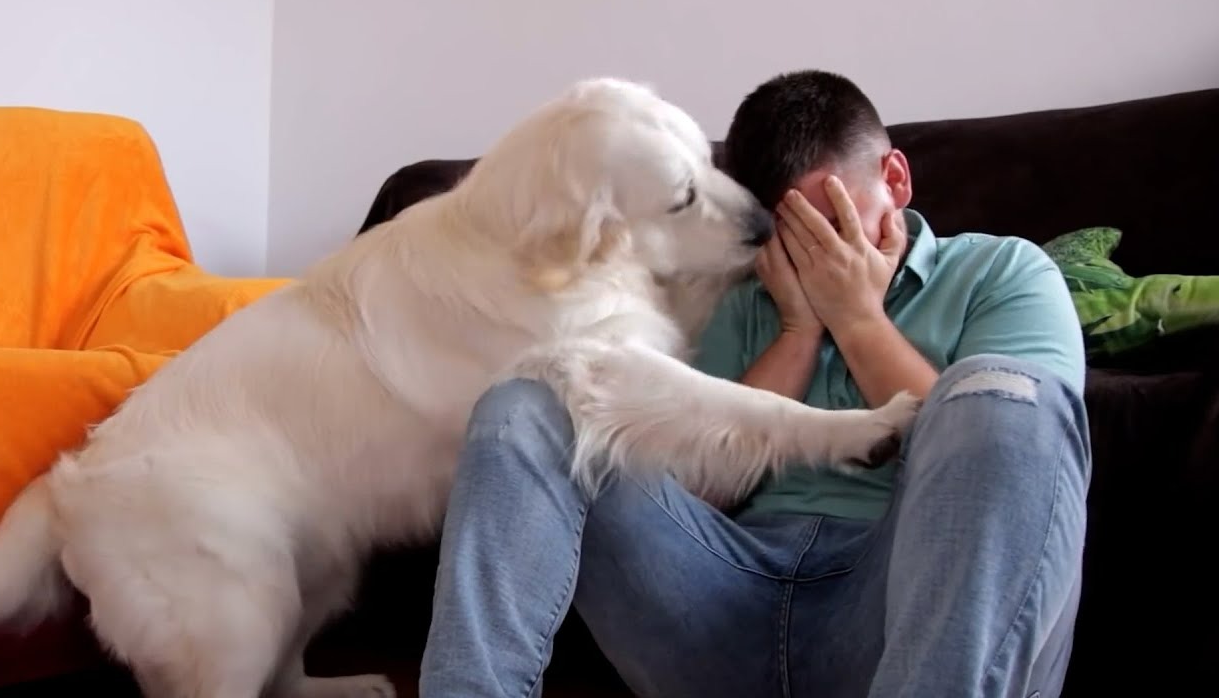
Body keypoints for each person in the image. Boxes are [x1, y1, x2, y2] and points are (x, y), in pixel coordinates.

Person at [416, 70, 1092, 698]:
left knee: (1006, 395)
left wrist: (856, 319)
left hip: (899, 607)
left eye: (835, 224)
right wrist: (797, 332)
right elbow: (688, 491)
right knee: (531, 401)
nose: (818, 258)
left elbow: (1017, 476)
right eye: (791, 239)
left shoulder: (1004, 273)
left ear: (895, 178)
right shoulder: (736, 298)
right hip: (717, 598)